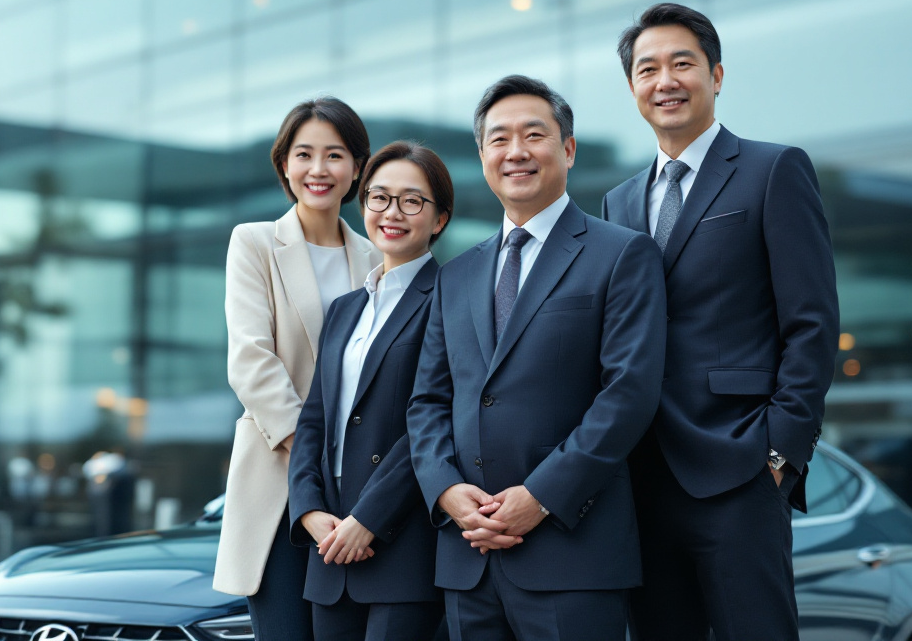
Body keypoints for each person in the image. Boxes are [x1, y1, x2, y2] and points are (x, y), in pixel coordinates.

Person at [602, 2, 840, 641]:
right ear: (633, 89)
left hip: (739, 467)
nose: (665, 81)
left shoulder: (772, 170)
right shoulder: (617, 202)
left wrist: (782, 450)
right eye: (648, 69)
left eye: (683, 63)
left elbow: (812, 323)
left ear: (717, 75)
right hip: (642, 477)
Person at [406, 75, 667, 641]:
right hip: (467, 556)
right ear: (482, 157)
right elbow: (427, 400)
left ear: (568, 149)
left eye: (534, 135)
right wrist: (446, 492)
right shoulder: (455, 275)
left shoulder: (620, 253)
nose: (516, 152)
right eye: (499, 139)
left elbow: (628, 393)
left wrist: (543, 496)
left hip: (573, 551)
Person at [214, 98, 382, 640]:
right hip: (278, 484)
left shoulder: (378, 257)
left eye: (335, 155)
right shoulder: (255, 243)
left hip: (359, 493)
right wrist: (312, 460)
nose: (319, 169)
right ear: (283, 164)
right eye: (304, 154)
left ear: (357, 167)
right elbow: (251, 362)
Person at [289, 141, 453, 641]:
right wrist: (311, 512)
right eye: (379, 198)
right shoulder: (344, 308)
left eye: (412, 200)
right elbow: (314, 420)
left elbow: (434, 421)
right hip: (330, 543)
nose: (392, 213)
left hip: (400, 540)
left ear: (440, 219)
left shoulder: (452, 296)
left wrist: (369, 519)